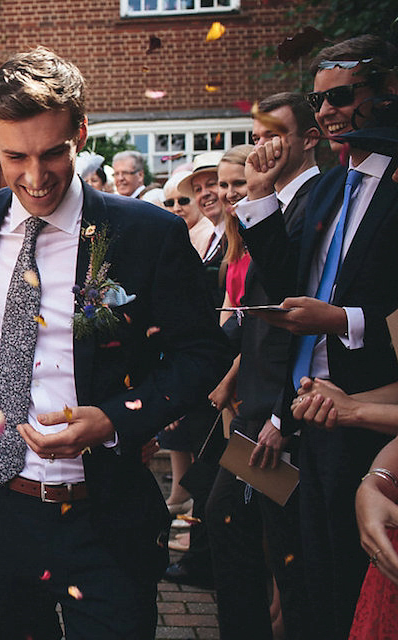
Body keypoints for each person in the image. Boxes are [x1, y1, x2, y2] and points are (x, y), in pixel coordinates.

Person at [0, 47, 231, 638]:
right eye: (15, 157)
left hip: (106, 512)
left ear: (81, 133)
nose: (35, 177)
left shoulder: (148, 233)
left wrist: (117, 419)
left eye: (53, 153)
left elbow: (203, 351)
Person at [237, 35, 398, 638]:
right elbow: (286, 283)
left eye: (342, 97)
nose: (327, 111)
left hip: (366, 414)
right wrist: (256, 196)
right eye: (319, 99)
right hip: (297, 406)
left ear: (387, 92)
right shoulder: (331, 186)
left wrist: (342, 320)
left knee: (347, 576)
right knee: (296, 564)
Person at [202, 91, 321, 640]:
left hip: (282, 410)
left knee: (280, 550)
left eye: (275, 133)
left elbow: (301, 310)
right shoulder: (277, 203)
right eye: (256, 136)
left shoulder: (316, 202)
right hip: (256, 403)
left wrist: (280, 414)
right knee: (237, 532)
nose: (262, 147)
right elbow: (258, 315)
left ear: (309, 138)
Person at [217, 144, 254, 324]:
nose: (230, 193)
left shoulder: (266, 236)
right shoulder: (234, 238)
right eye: (223, 185)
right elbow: (228, 305)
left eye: (239, 183)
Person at [163, 169, 215, 256]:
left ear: (197, 200)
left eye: (183, 201)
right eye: (170, 203)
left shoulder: (210, 233)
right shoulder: (174, 236)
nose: (176, 208)